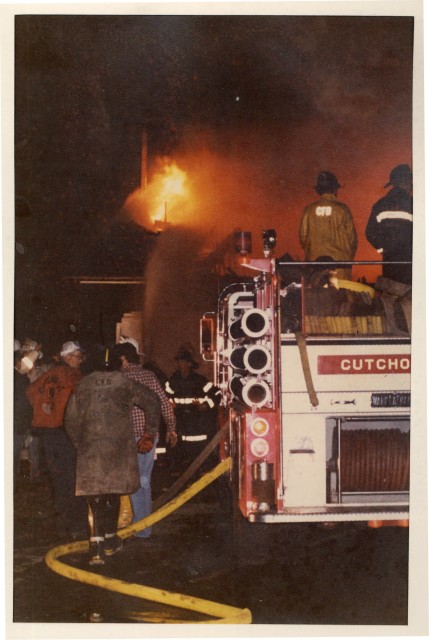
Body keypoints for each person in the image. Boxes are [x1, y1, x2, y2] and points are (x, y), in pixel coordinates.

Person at [64, 346, 161, 566]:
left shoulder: (82, 386)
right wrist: (149, 433)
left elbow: (70, 420)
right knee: (114, 492)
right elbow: (152, 401)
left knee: (96, 496)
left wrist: (80, 443)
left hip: (90, 449)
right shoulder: (123, 382)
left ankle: (98, 545)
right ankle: (108, 541)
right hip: (118, 449)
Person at [113, 340, 177, 539]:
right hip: (149, 436)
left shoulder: (119, 378)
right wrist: (172, 429)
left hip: (126, 438)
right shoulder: (149, 375)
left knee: (133, 481)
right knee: (143, 479)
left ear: (123, 359)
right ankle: (143, 525)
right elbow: (164, 405)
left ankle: (142, 525)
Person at [25, 340, 87, 538]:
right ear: (68, 357)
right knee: (73, 479)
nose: (80, 361)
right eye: (78, 357)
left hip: (46, 434)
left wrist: (44, 410)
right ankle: (77, 526)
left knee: (58, 479)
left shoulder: (47, 374)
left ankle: (63, 525)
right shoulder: (73, 375)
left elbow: (30, 391)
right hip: (65, 433)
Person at [165, 347, 221, 475]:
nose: (180, 364)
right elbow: (165, 396)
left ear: (189, 364)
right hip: (180, 424)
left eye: (183, 361)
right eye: (179, 361)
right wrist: (168, 404)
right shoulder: (173, 381)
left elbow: (216, 394)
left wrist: (206, 405)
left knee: (198, 460)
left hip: (196, 426)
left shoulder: (200, 381)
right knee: (180, 461)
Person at [299, 171, 358, 279]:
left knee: (317, 293)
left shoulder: (309, 210)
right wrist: (347, 258)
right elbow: (352, 239)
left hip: (315, 266)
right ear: (335, 189)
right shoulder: (342, 209)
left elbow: (303, 238)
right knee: (340, 294)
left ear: (319, 190)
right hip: (340, 266)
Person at [365, 164, 413, 285]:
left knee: (390, 295)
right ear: (406, 181)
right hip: (410, 260)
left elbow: (369, 232)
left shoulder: (379, 205)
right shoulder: (414, 204)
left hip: (389, 261)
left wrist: (383, 249)